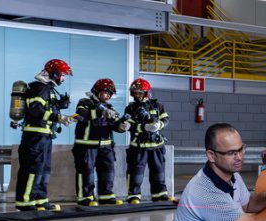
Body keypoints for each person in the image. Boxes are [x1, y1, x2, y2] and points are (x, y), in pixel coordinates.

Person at [15, 59, 75, 212]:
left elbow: (46, 108)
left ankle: (40, 199)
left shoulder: (47, 89)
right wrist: (58, 118)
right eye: (62, 75)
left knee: (44, 169)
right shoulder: (39, 88)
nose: (63, 78)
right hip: (35, 136)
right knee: (32, 169)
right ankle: (26, 202)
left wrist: (59, 106)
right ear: (55, 74)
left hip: (44, 136)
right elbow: (36, 109)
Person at [72, 78, 123, 206]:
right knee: (86, 172)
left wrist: (121, 126)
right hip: (86, 146)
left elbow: (114, 125)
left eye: (110, 94)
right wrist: (101, 112)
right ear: (97, 90)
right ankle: (85, 198)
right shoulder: (84, 102)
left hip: (106, 147)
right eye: (106, 92)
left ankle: (106, 196)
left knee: (107, 171)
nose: (108, 95)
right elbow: (81, 114)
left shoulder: (109, 108)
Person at [121, 78, 170, 204]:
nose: (137, 95)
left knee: (158, 171)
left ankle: (160, 195)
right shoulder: (130, 108)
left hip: (156, 146)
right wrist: (144, 127)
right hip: (138, 147)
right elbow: (129, 126)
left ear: (146, 93)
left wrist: (159, 125)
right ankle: (134, 196)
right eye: (135, 93)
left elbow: (166, 120)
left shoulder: (158, 106)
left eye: (140, 93)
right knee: (135, 173)